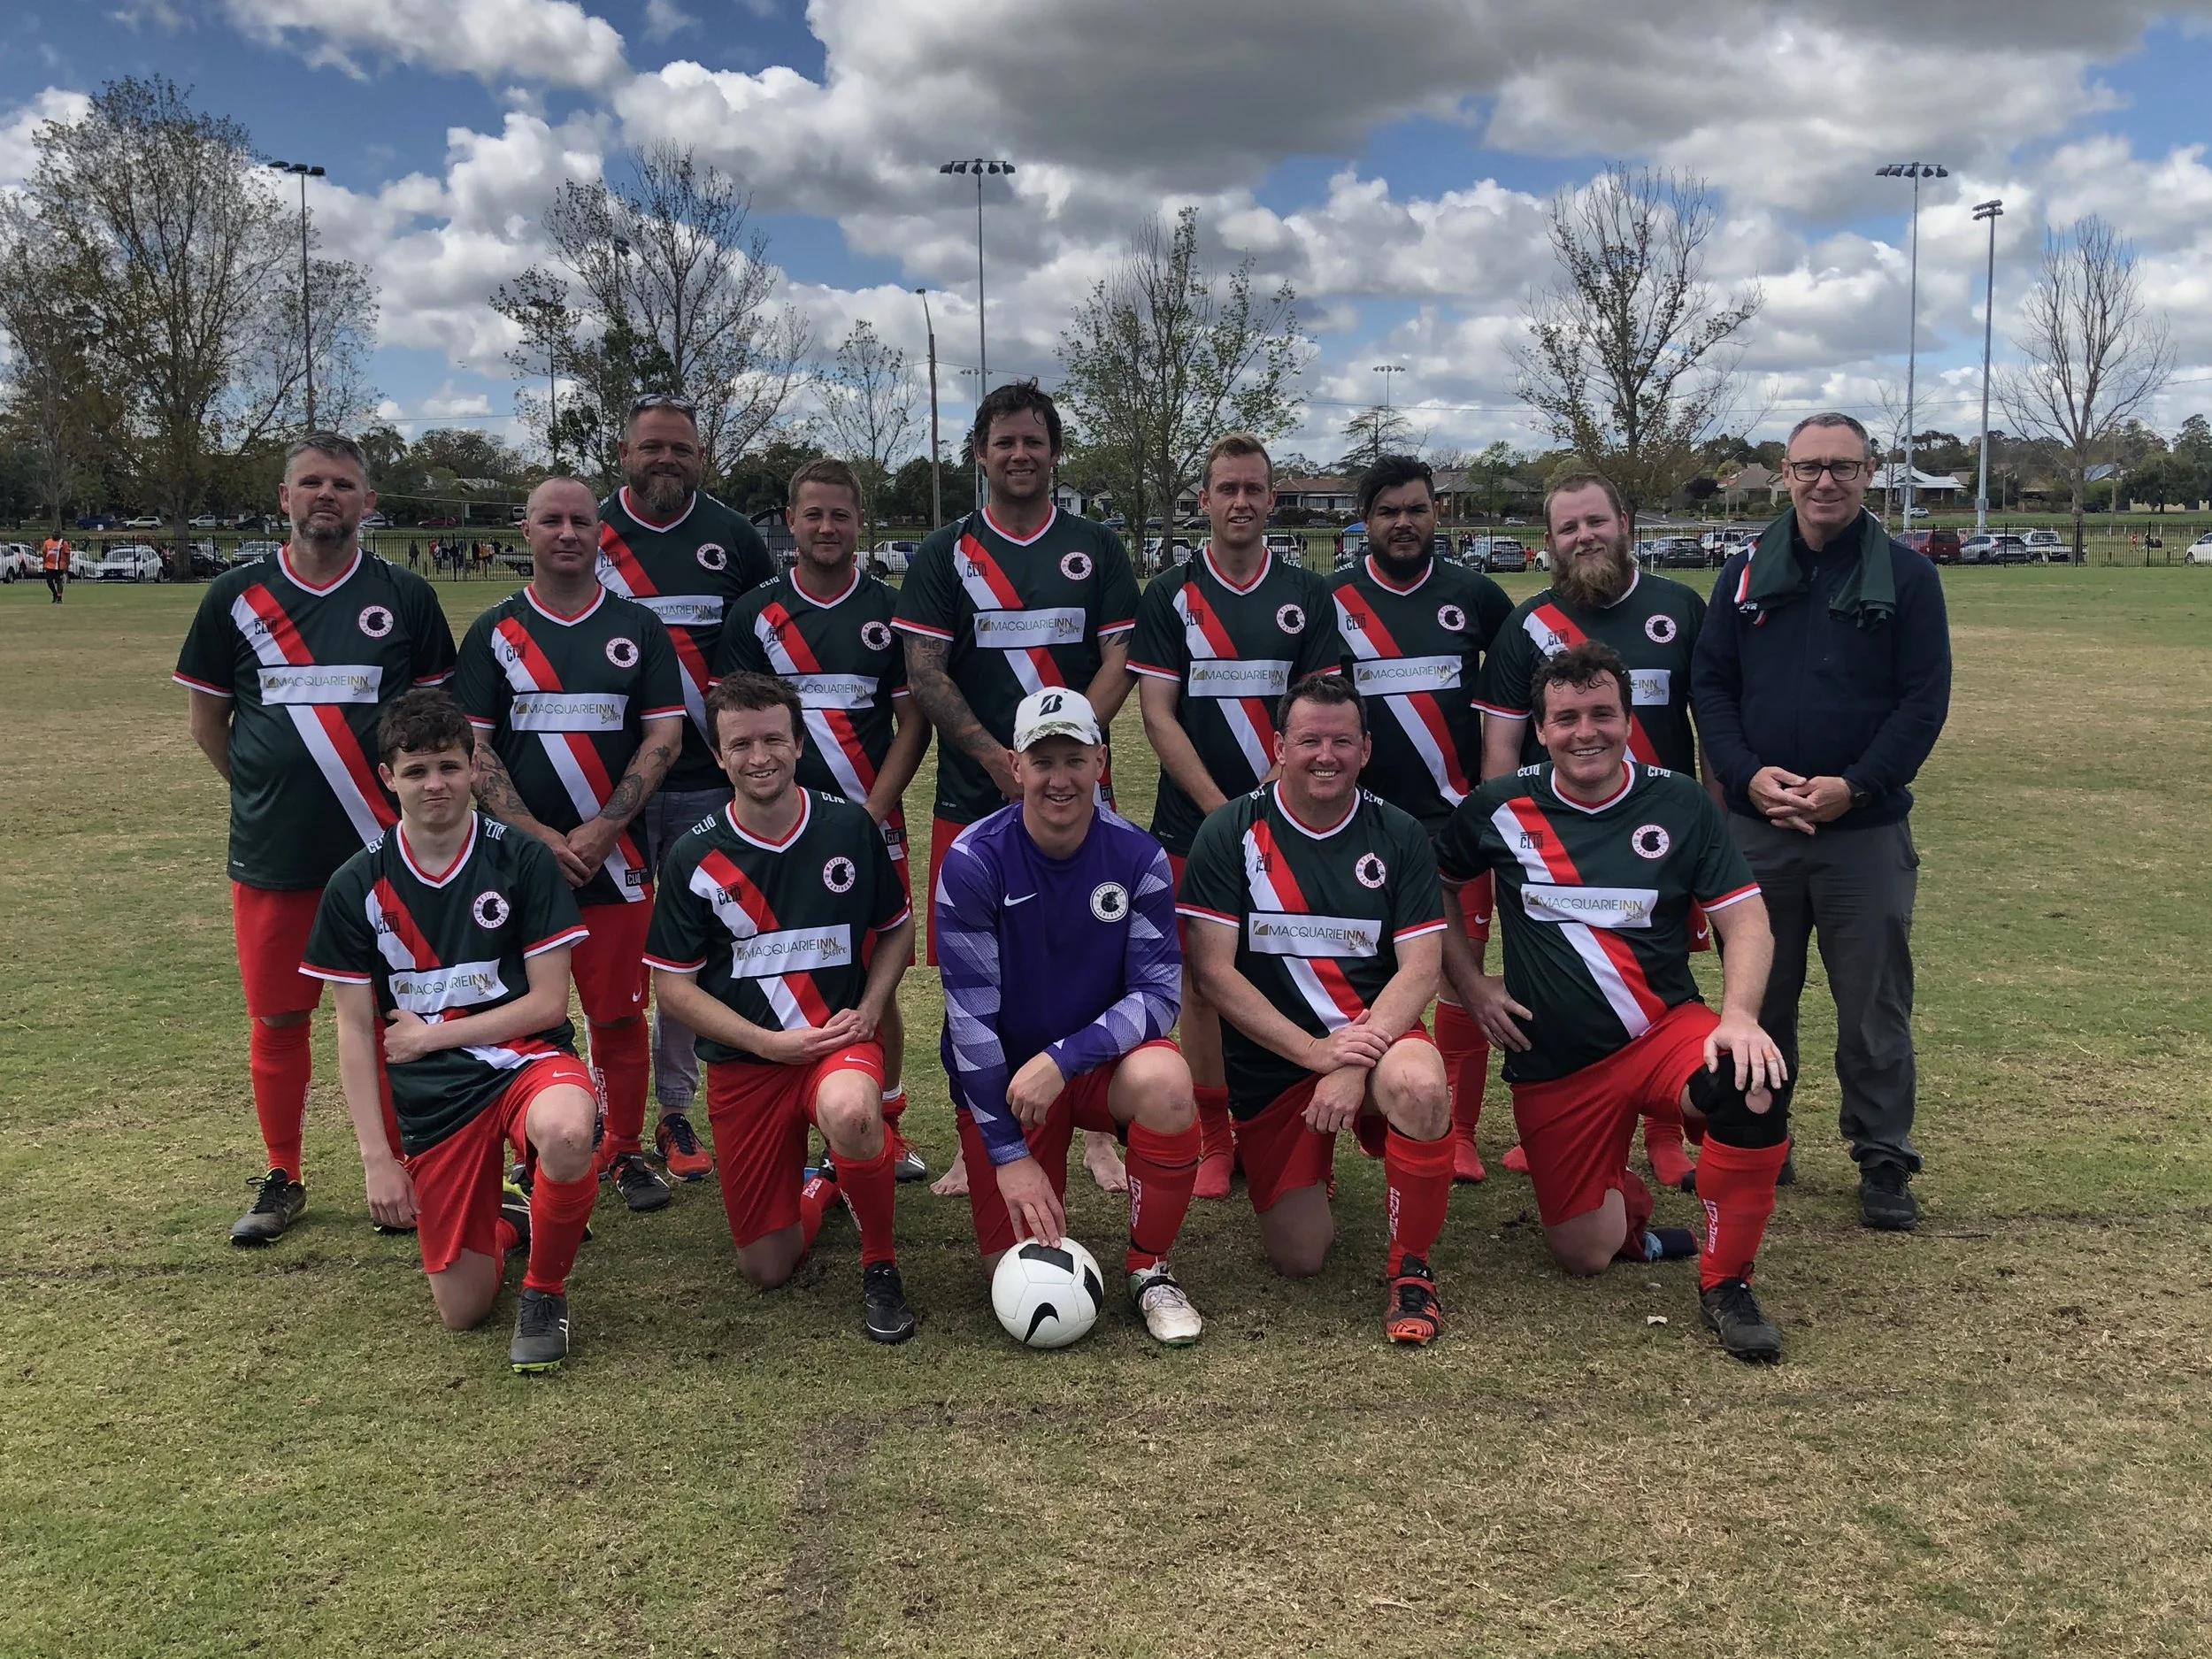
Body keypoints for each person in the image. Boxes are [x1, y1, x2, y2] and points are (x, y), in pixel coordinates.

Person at [1438, 640, 1793, 1361]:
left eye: (1602, 713)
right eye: (1566, 717)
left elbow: (1745, 916)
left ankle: (1727, 1282)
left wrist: (1740, 1016)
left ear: (1628, 719)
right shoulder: (1497, 808)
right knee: (1583, 1253)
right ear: (1540, 729)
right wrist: (1472, 985)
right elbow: (1438, 890)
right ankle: (1629, 1207)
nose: (1585, 731)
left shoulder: (1681, 803)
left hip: (1664, 1033)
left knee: (1750, 1084)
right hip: (1558, 1064)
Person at [174, 432, 457, 1246]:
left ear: (367, 502)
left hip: (390, 858)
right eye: (311, 483)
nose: (326, 496)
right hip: (277, 855)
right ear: (284, 497)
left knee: (400, 1011)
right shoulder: (235, 594)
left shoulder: (405, 595)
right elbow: (208, 724)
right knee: (279, 1018)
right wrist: (269, 790)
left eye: (342, 484)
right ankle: (283, 1173)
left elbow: (436, 724)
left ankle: (408, 1164)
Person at [1693, 411, 1952, 1231]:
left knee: (1872, 1005)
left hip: (1863, 832)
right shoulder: (1740, 574)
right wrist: (1744, 776)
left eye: (1843, 466)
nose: (1825, 481)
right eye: (1810, 467)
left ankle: (1882, 1155)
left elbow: (1923, 701)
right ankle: (1757, 1134)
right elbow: (1713, 687)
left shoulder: (1908, 579)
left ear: (1870, 472)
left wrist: (1858, 785)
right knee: (1757, 996)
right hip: (1761, 827)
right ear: (1784, 472)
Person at [299, 689, 597, 1372]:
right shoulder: (355, 883)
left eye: (449, 766)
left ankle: (545, 1292)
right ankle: (514, 1217)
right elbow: (352, 1026)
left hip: (524, 1060)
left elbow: (550, 1003)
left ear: (473, 769)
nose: (435, 783)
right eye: (416, 770)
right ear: (387, 778)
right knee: (461, 1312)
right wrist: (379, 1158)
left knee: (568, 1131)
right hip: (435, 1096)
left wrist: (433, 1035)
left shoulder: (521, 860)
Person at [893, 380, 1140, 1200]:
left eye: (1034, 441)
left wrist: (1066, 755)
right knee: (977, 978)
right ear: (979, 454)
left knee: (1091, 967)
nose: (1020, 455)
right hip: (973, 801)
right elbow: (923, 671)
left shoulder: (1095, 548)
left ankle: (1097, 1133)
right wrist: (1001, 760)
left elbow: (1117, 662)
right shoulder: (943, 554)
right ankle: (979, 1135)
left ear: (1054, 451)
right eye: (1005, 443)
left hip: (1076, 798)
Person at [1177, 672, 1459, 1345]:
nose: (1324, 755)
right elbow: (1213, 973)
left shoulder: (1398, 833)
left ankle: (1411, 1268)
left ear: (1366, 748)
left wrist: (1352, 1062)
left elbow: (1422, 966)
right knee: (1299, 1257)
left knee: (1420, 1084)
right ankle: (1297, 1158)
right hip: (1278, 1063)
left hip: (1376, 1041)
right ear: (1279, 746)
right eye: (1309, 740)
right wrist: (1313, 1054)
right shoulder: (1230, 831)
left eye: (1341, 740)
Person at [644, 672, 918, 1343]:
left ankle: (879, 1263)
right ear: (718, 754)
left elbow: (898, 925)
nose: (759, 755)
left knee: (855, 1110)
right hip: (749, 1063)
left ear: (799, 743)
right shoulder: (692, 856)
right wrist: (767, 1044)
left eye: (774, 738)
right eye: (741, 743)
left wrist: (869, 1005)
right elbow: (672, 989)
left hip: (833, 1045)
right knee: (766, 1267)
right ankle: (826, 1182)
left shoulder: (848, 826)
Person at [1474, 468, 1719, 1191]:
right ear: (1548, 541)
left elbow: (1712, 733)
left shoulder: (1680, 607)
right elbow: (1498, 750)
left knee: (1660, 978)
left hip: (1660, 846)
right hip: (1553, 848)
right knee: (1560, 981)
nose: (1584, 536)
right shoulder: (1528, 625)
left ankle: (1666, 1132)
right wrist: (1501, 851)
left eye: (1595, 521)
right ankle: (1569, 1121)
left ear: (1626, 522)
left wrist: (1712, 842)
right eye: (1568, 527)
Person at [935, 688, 1205, 1344]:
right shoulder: (974, 861)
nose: (1060, 777)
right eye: (1043, 759)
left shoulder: (1137, 857)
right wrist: (1005, 1153)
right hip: (1006, 1081)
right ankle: (1022, 1164)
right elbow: (969, 1023)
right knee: (1013, 1272)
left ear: (1102, 763)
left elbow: (1158, 995)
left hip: (1088, 1068)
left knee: (1168, 1083)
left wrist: (1062, 1059)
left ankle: (1150, 1267)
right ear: (1015, 765)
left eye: (1075, 758)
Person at [452, 477, 687, 1215]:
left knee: (618, 1013)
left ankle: (621, 1149)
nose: (566, 533)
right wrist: (538, 836)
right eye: (550, 520)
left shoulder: (639, 628)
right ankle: (536, 1154)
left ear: (599, 533)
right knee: (525, 1015)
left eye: (580, 521)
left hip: (615, 862)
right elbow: (474, 748)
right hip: (516, 867)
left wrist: (604, 828)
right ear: (525, 531)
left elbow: (665, 736)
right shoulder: (494, 630)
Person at [1130, 433, 1340, 1201]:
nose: (1241, 502)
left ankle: (1279, 1123)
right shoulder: (1171, 595)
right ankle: (1216, 1135)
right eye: (1227, 489)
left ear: (1272, 498)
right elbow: (1158, 715)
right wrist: (1228, 816)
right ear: (1204, 501)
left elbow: (1316, 720)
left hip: (1292, 823)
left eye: (1255, 489)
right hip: (1193, 827)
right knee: (1201, 982)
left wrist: (1267, 806)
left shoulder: (1307, 597)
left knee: (1288, 966)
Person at [718, 457, 932, 1182]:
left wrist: (871, 811)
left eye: (841, 514)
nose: (828, 527)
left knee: (880, 975)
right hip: (777, 834)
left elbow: (912, 722)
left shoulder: (889, 610)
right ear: (790, 517)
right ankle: (797, 1113)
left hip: (869, 827)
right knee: (790, 970)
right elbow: (739, 723)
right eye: (814, 514)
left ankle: (887, 1118)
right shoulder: (754, 612)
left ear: (859, 520)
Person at [595, 394, 778, 1185]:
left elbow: (767, 639)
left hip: (713, 786)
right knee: (617, 958)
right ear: (625, 452)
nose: (666, 459)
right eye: (651, 447)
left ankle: (676, 1109)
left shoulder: (734, 536)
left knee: (699, 953)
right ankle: (615, 1123)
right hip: (617, 790)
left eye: (681, 449)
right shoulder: (589, 532)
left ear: (702, 458)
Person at [1329, 457, 1513, 1186]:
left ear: (1436, 511)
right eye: (1387, 511)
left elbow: (1519, 691)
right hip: (1360, 829)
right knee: (1343, 972)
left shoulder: (1475, 595)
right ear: (1365, 521)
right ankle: (1332, 1119)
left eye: (1415, 508)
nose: (1403, 522)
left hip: (1455, 827)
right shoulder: (1333, 599)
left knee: (1457, 978)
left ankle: (1459, 1128)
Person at [42, 533, 69, 603]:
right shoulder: (47, 542)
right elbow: (44, 554)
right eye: (54, 533)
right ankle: (55, 593)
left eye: (56, 533)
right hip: (49, 565)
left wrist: (67, 565)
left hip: (59, 566)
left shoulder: (63, 543)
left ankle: (59, 598)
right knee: (49, 581)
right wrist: (44, 564)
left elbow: (67, 554)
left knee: (59, 582)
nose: (55, 535)